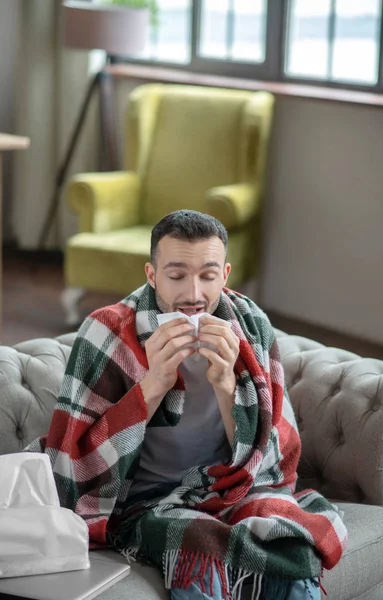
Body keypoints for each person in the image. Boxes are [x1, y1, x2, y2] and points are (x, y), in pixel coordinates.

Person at [27, 210, 347, 600]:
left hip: (231, 486)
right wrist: (155, 383)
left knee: (289, 544)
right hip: (144, 499)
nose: (194, 294)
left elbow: (270, 458)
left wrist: (226, 383)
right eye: (176, 276)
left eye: (208, 276)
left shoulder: (251, 325)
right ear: (151, 274)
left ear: (225, 275)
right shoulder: (106, 332)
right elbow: (70, 464)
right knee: (197, 541)